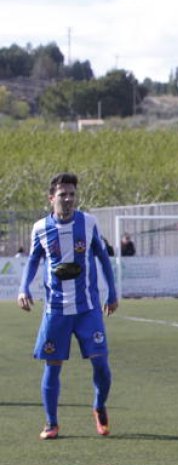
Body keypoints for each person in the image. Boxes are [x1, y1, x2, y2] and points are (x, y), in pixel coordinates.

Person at [17, 172, 119, 440]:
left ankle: (99, 406)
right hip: (56, 310)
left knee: (102, 366)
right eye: (63, 194)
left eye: (72, 194)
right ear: (52, 198)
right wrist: (23, 287)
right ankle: (51, 423)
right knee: (53, 365)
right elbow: (33, 260)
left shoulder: (88, 222)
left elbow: (102, 257)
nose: (69, 199)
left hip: (88, 309)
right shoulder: (40, 228)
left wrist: (112, 292)